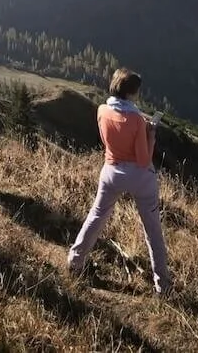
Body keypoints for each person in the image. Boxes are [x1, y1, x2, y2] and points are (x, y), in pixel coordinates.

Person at [66, 68, 171, 295]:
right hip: (140, 177)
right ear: (132, 92)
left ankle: (75, 261)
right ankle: (162, 285)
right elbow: (144, 160)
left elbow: (107, 141)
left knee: (96, 216)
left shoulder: (102, 110)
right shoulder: (137, 120)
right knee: (152, 230)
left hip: (111, 171)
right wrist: (150, 134)